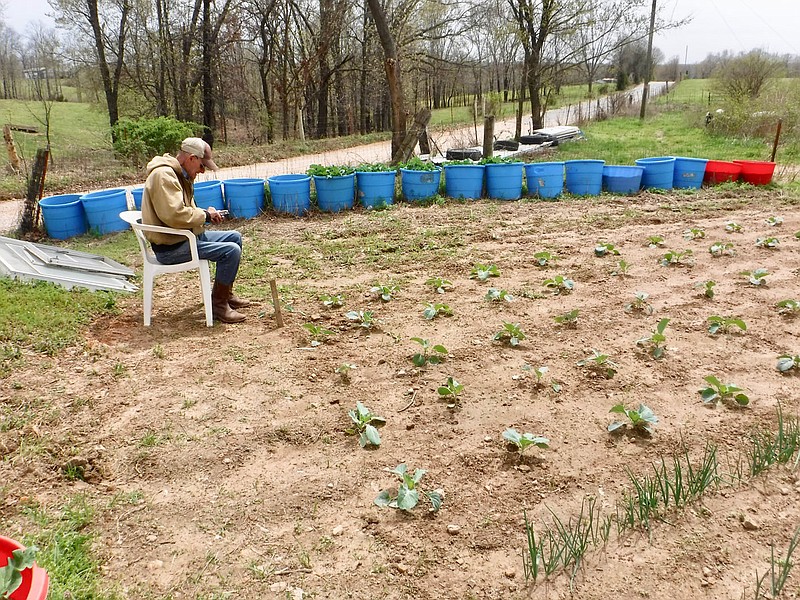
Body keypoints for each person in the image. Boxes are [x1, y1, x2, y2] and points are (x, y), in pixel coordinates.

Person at [141, 137, 250, 323]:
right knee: (231, 251)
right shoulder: (164, 176)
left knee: (235, 237)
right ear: (191, 158)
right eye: (201, 165)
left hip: (184, 237)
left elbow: (184, 211)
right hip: (172, 247)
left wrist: (206, 213)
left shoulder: (179, 175)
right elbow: (174, 215)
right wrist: (205, 216)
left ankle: (224, 295)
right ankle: (218, 306)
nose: (202, 171)